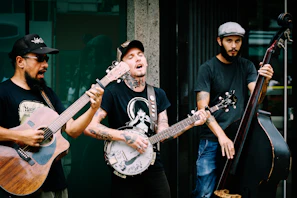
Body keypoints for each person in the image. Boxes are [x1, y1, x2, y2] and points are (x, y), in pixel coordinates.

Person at [83, 40, 210, 198]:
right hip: (124, 167)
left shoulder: (157, 94)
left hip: (152, 166)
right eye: (130, 57)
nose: (137, 59)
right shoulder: (112, 92)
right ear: (120, 67)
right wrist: (126, 137)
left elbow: (163, 133)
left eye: (140, 55)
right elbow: (89, 127)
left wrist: (191, 123)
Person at [0, 33, 104, 198]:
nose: (45, 65)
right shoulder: (3, 92)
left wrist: (93, 108)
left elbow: (72, 130)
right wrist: (21, 136)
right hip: (19, 180)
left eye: (46, 59)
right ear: (20, 61)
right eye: (39, 59)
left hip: (54, 184)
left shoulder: (47, 94)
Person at [192, 22, 274, 198]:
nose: (234, 46)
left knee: (236, 190)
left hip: (239, 139)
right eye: (229, 41)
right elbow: (202, 108)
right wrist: (222, 137)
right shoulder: (207, 68)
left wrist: (264, 81)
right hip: (212, 140)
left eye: (238, 41)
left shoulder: (247, 66)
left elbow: (256, 99)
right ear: (219, 41)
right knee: (205, 191)